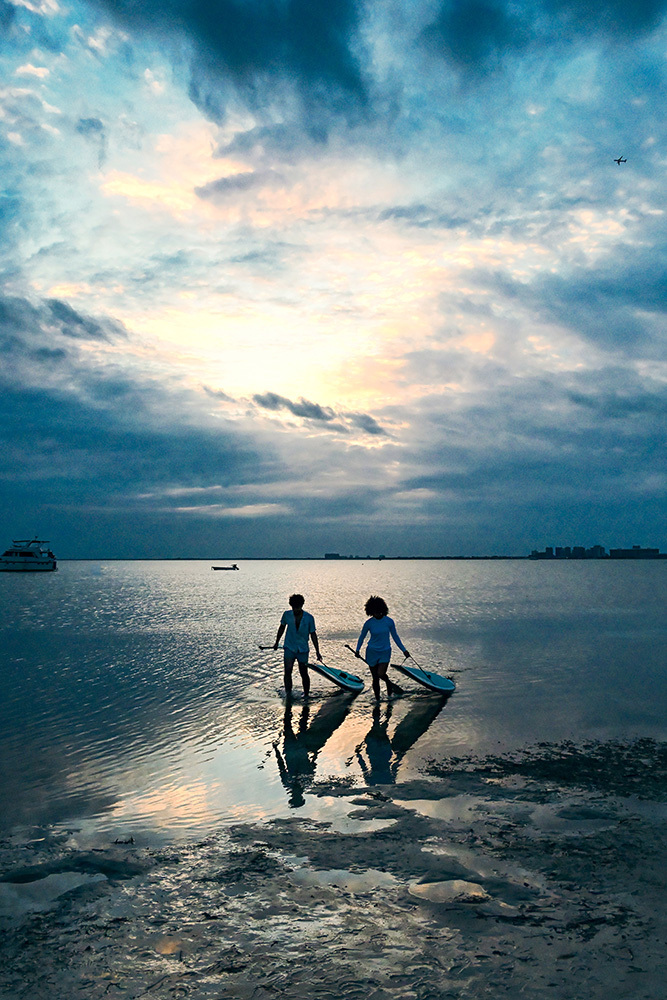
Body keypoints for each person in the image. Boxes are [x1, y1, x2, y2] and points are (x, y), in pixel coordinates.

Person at [355, 595, 410, 700]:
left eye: (379, 611)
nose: (377, 613)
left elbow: (395, 637)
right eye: (375, 611)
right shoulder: (369, 623)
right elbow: (362, 637)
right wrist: (357, 650)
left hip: (385, 651)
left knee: (381, 674)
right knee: (375, 678)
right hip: (371, 652)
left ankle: (388, 683)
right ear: (371, 611)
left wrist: (404, 650)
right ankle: (377, 700)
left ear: (382, 610)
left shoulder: (389, 621)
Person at [274, 593, 322, 697]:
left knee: (304, 673)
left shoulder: (309, 618)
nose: (296, 610)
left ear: (302, 605)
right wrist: (277, 642)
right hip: (289, 647)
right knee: (287, 671)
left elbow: (313, 634)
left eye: (298, 607)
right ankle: (288, 694)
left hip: (303, 650)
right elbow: (281, 628)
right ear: (291, 606)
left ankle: (306, 695)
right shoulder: (286, 615)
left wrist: (318, 651)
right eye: (294, 607)